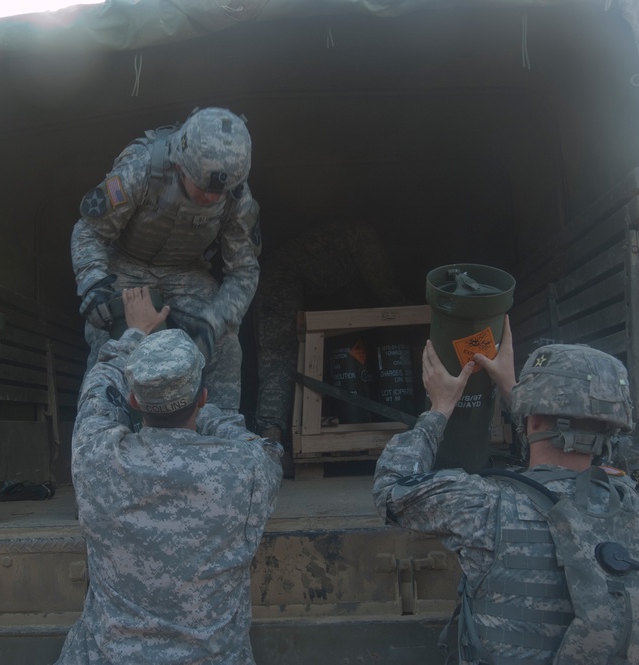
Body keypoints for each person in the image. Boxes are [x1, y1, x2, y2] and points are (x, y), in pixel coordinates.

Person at [373, 317, 639, 664]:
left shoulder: (484, 504)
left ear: (533, 420)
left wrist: (439, 408)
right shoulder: (630, 507)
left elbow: (391, 489)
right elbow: (557, 460)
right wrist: (518, 395)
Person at [56, 287, 282, 664]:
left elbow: (98, 390)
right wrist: (201, 411)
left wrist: (135, 331)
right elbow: (268, 451)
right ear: (204, 397)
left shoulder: (97, 460)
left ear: (133, 402)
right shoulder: (246, 470)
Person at [71, 107, 261, 412]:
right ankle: (102, 424)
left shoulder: (237, 198)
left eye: (219, 192)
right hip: (126, 265)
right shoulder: (142, 169)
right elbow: (89, 231)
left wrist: (215, 322)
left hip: (187, 271)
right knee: (107, 334)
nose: (211, 199)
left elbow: (244, 270)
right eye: (201, 187)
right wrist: (93, 283)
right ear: (180, 164)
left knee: (225, 343)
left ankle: (223, 436)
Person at [253, 222, 404, 447]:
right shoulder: (363, 234)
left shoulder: (338, 240)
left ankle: (273, 442)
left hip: (282, 283)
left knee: (280, 360)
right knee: (280, 359)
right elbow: (384, 287)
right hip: (279, 284)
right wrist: (413, 313)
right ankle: (270, 445)